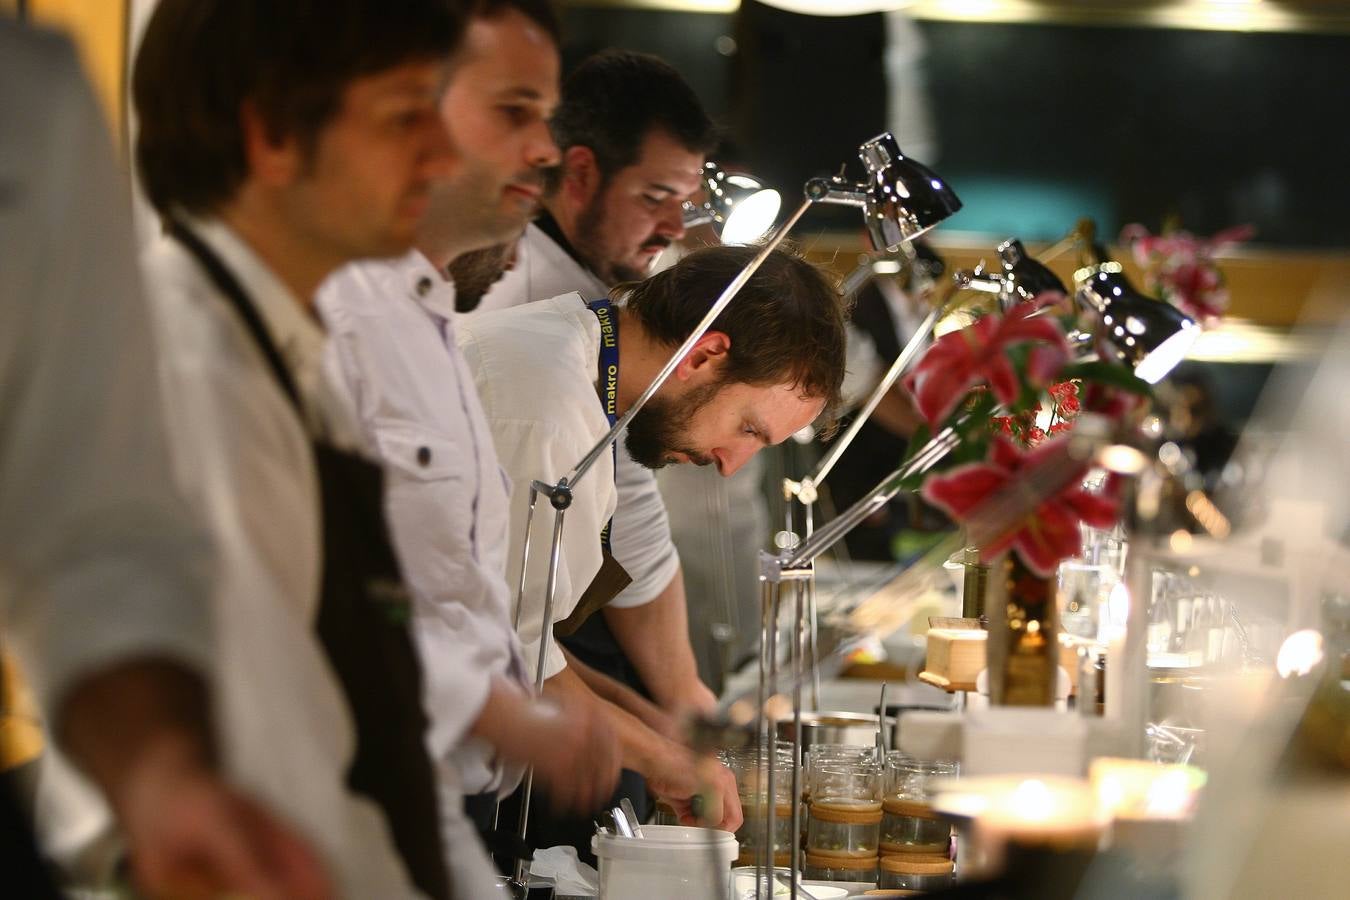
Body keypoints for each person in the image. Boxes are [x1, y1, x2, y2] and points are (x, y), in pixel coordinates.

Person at [132, 1, 464, 896]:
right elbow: (283, 780)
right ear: (273, 134)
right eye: (406, 116)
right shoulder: (197, 370)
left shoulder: (292, 352)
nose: (444, 154)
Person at [1, 19, 327, 899]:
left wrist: (159, 775)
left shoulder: (31, 106)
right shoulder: (192, 341)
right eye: (409, 111)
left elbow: (91, 541)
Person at [316, 0, 621, 886]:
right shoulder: (328, 314)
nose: (544, 151)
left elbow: (448, 596)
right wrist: (505, 717)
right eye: (512, 111)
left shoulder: (430, 318)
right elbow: (298, 600)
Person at [459, 242, 850, 849]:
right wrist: (661, 759)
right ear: (706, 355)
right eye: (748, 428)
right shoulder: (545, 406)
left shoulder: (576, 371)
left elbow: (516, 633)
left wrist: (651, 726)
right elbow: (504, 657)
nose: (730, 465)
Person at [463, 49, 724, 854]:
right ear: (577, 173)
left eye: (688, 200)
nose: (678, 227)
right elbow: (509, 638)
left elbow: (632, 504)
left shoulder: (597, 301)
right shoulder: (520, 317)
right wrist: (662, 729)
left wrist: (676, 703)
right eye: (656, 197)